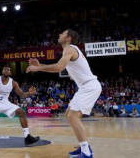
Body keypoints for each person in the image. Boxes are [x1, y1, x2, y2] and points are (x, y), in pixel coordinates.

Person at [27, 29, 102, 158]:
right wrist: (41, 64)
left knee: (73, 116)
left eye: (63, 33)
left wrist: (38, 68)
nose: (59, 34)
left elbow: (58, 68)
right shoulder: (69, 51)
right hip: (85, 86)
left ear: (68, 38)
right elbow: (61, 66)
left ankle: (87, 153)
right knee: (69, 114)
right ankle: (84, 147)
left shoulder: (70, 49)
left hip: (89, 86)